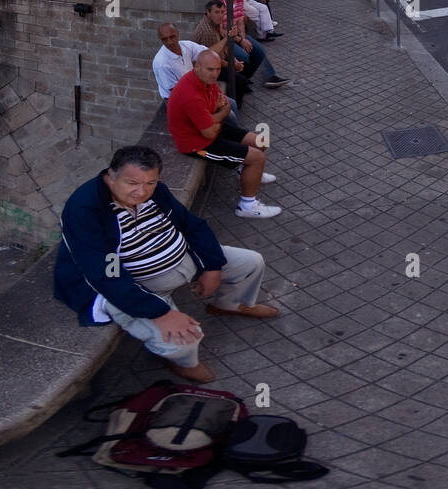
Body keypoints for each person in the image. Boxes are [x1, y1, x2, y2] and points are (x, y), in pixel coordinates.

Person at [51, 145, 279, 382]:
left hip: (182, 257)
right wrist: (160, 313)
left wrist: (212, 267)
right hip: (135, 283)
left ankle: (231, 303)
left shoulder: (155, 191)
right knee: (184, 338)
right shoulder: (86, 209)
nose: (141, 192)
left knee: (251, 262)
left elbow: (192, 225)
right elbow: (106, 274)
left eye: (150, 183)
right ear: (111, 177)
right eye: (132, 183)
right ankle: (181, 362)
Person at [167, 45, 279, 217]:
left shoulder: (205, 81)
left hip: (208, 128)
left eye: (218, 69)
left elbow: (220, 103)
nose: (215, 74)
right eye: (210, 69)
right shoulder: (190, 95)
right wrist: (222, 113)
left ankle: (248, 172)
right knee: (257, 158)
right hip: (197, 143)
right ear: (196, 66)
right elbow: (211, 130)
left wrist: (216, 115)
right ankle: (247, 206)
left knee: (260, 141)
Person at [194, 0, 286, 98]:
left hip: (233, 41)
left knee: (259, 51)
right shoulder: (208, 32)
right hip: (207, 67)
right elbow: (212, 60)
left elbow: (229, 38)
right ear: (208, 13)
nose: (220, 15)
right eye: (216, 12)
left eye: (222, 12)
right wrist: (232, 63)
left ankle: (246, 79)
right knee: (243, 64)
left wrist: (241, 41)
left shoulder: (217, 22)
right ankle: (234, 105)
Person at [150, 21, 209, 100]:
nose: (170, 42)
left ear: (178, 33)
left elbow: (208, 54)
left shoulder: (186, 46)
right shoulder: (161, 63)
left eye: (172, 37)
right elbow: (176, 91)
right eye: (164, 39)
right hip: (178, 99)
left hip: (194, 91)